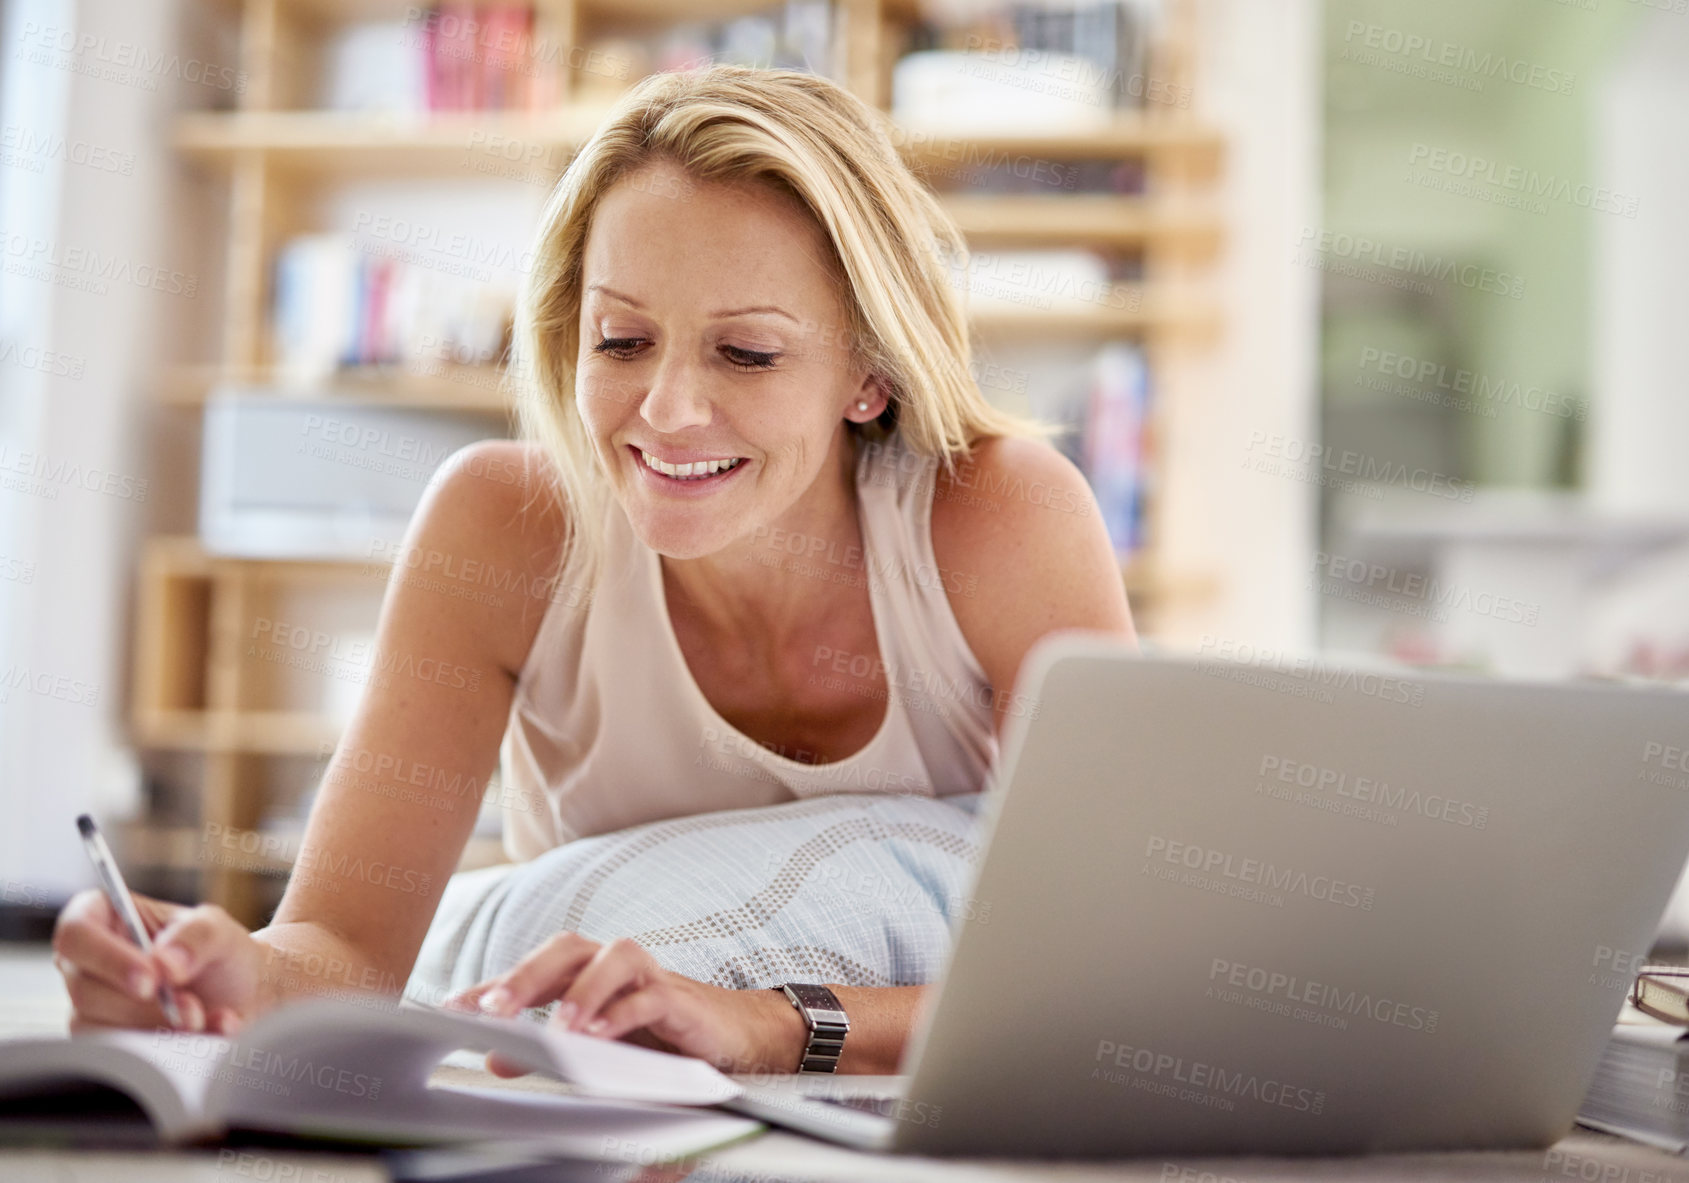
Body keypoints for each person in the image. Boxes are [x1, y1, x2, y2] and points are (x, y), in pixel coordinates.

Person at [51, 66, 1135, 1075]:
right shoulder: (501, 528)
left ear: (868, 373)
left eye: (746, 353)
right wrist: (235, 982)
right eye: (621, 341)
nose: (665, 410)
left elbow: (1119, 955)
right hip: (625, 1076)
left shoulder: (997, 516)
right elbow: (344, 942)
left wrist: (771, 1020)